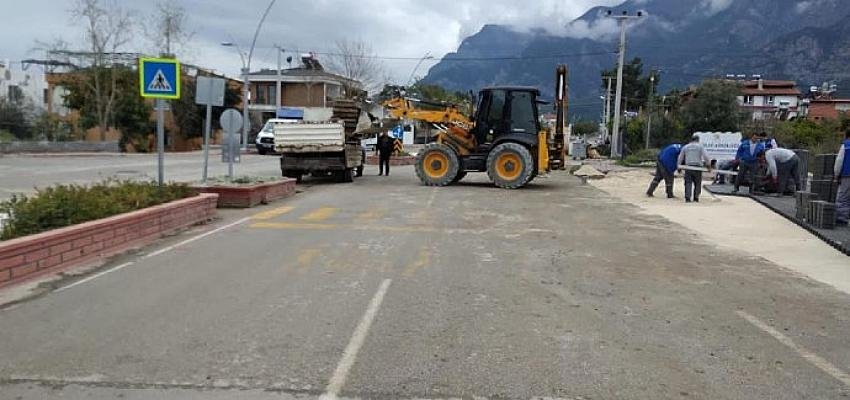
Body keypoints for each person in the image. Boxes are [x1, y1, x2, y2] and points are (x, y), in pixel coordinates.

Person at [677, 133, 711, 203]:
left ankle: (688, 198)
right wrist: (708, 166)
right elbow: (706, 157)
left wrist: (679, 166)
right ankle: (696, 198)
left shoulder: (686, 147)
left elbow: (680, 157)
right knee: (697, 183)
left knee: (688, 183)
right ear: (698, 140)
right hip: (698, 168)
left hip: (688, 167)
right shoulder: (700, 147)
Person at [835, 129, 850, 225]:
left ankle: (841, 218)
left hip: (847, 174)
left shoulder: (846, 145)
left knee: (843, 197)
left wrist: (836, 174)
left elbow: (839, 161)